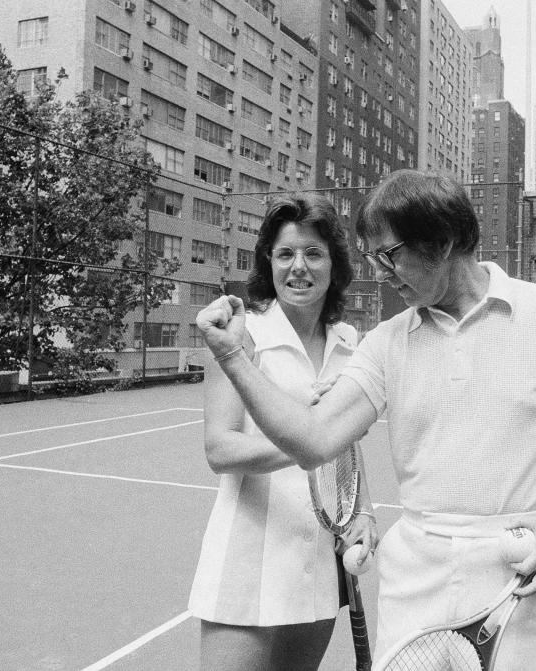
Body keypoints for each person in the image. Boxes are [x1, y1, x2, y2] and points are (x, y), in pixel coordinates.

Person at [196, 170, 536, 670]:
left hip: (522, 577)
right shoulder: (384, 343)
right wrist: (233, 356)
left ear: (445, 240)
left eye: (390, 255)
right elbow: (313, 442)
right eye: (372, 258)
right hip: (414, 583)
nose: (381, 272)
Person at [188, 193, 377, 671]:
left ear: (334, 264)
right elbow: (220, 448)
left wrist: (364, 513)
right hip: (247, 557)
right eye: (285, 254)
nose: (299, 267)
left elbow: (345, 448)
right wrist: (307, 439)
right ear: (267, 262)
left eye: (313, 253)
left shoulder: (349, 344)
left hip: (316, 561)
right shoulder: (238, 335)